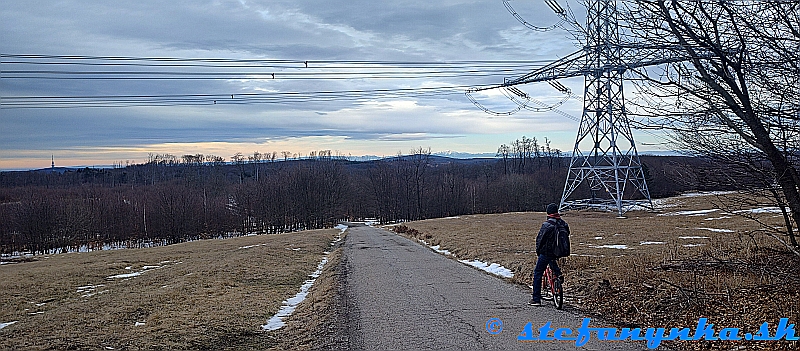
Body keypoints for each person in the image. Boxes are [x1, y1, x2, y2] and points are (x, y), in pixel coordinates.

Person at [529, 203, 567, 306]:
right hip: (559, 251)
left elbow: (540, 239)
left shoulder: (547, 224)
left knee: (538, 273)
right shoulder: (563, 223)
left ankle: (536, 299)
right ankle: (558, 275)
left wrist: (538, 251)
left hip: (547, 252)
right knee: (552, 261)